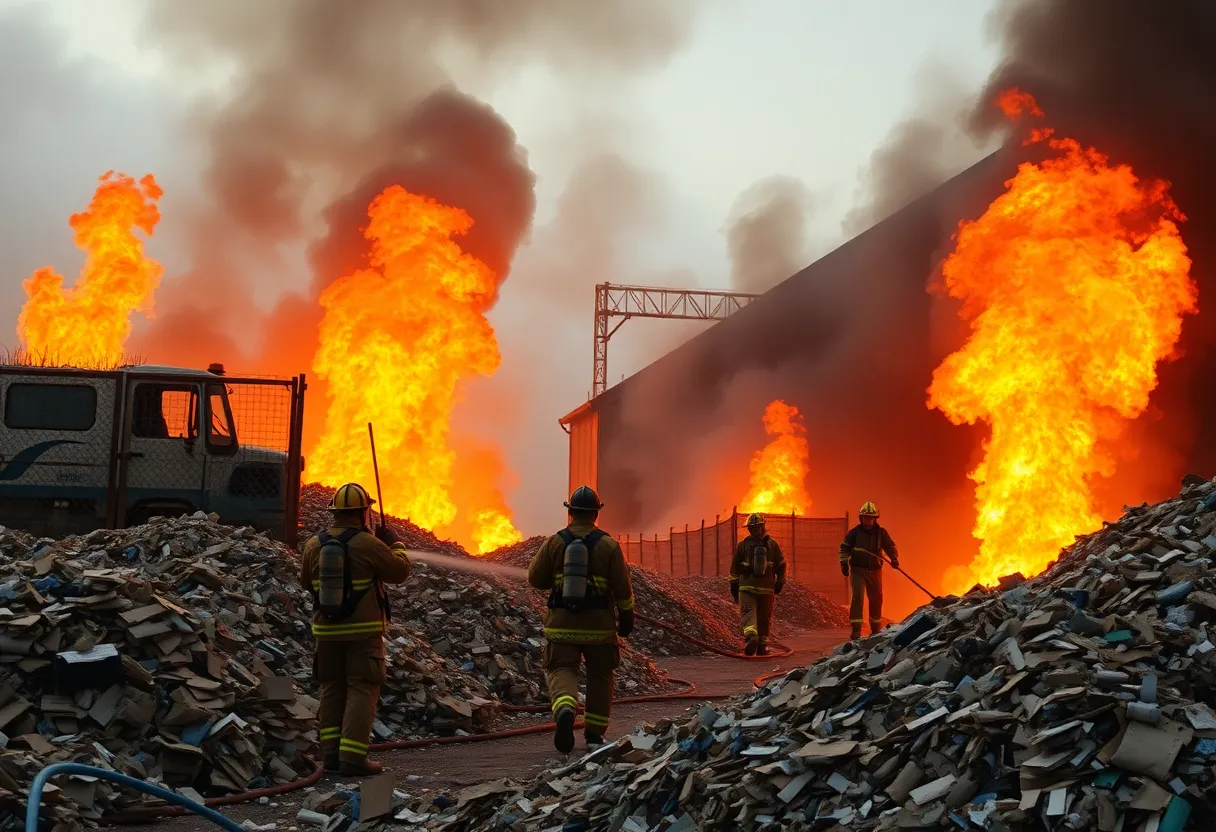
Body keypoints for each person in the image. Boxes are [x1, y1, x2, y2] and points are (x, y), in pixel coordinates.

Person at [300, 482, 411, 776]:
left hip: (326, 632)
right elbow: (399, 572)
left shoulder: (314, 544)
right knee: (362, 689)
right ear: (364, 513)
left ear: (334, 512)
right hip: (363, 634)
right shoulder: (368, 543)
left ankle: (331, 757)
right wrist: (395, 543)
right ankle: (353, 759)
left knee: (332, 688)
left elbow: (304, 582)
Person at [528, 485, 635, 753]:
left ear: (571, 512)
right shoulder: (609, 545)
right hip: (599, 628)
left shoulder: (555, 542)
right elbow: (623, 587)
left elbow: (535, 579)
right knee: (600, 676)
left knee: (562, 669)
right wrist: (627, 616)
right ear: (596, 514)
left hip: (562, 625)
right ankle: (594, 736)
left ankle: (565, 708)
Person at [728, 513, 787, 656]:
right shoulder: (772, 544)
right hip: (766, 588)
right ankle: (762, 646)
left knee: (748, 613)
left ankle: (751, 637)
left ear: (749, 529)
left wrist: (734, 588)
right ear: (763, 527)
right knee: (764, 616)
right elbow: (782, 564)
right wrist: (780, 581)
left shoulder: (742, 545)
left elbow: (734, 569)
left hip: (746, 587)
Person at [839, 501, 899, 639]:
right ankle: (856, 631)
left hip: (875, 570)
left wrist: (894, 558)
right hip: (857, 570)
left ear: (875, 519)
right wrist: (844, 562)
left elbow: (890, 546)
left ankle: (876, 629)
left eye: (871, 518)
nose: (868, 520)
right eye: (866, 517)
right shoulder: (854, 533)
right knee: (858, 597)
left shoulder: (881, 533)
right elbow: (844, 548)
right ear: (861, 518)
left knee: (876, 598)